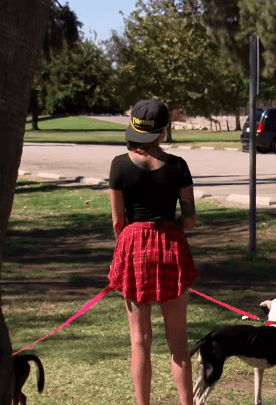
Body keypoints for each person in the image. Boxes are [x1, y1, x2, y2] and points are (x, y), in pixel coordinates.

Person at [108, 98, 197, 405]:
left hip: (133, 250)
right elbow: (190, 220)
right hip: (171, 247)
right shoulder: (178, 166)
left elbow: (118, 221)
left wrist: (131, 244)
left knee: (139, 341)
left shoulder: (119, 165)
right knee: (178, 342)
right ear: (163, 132)